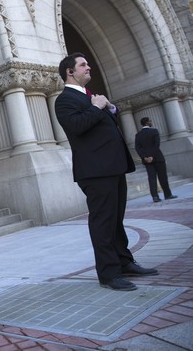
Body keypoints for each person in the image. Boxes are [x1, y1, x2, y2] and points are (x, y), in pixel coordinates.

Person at [55, 52, 158, 291]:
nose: (88, 67)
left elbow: (104, 120)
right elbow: (77, 126)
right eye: (83, 65)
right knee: (103, 223)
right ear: (70, 72)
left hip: (112, 167)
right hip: (95, 171)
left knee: (116, 220)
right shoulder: (64, 100)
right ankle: (108, 274)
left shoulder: (91, 97)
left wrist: (109, 107)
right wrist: (97, 107)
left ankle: (124, 262)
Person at [135, 117, 177, 203]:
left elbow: (137, 148)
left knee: (152, 178)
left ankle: (155, 197)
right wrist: (152, 156)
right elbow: (156, 145)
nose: (151, 122)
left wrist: (145, 157)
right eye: (150, 121)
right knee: (163, 177)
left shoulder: (138, 135)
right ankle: (168, 195)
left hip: (147, 161)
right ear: (147, 123)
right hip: (158, 158)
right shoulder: (154, 131)